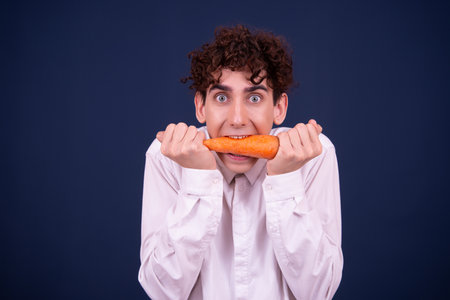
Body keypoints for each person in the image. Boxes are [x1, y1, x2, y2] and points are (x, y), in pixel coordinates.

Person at [138, 25, 343, 299]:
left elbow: (319, 291)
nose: (237, 119)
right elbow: (161, 291)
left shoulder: (313, 155)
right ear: (200, 107)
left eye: (254, 97)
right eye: (221, 97)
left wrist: (285, 179)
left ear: (279, 108)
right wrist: (198, 178)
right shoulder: (168, 156)